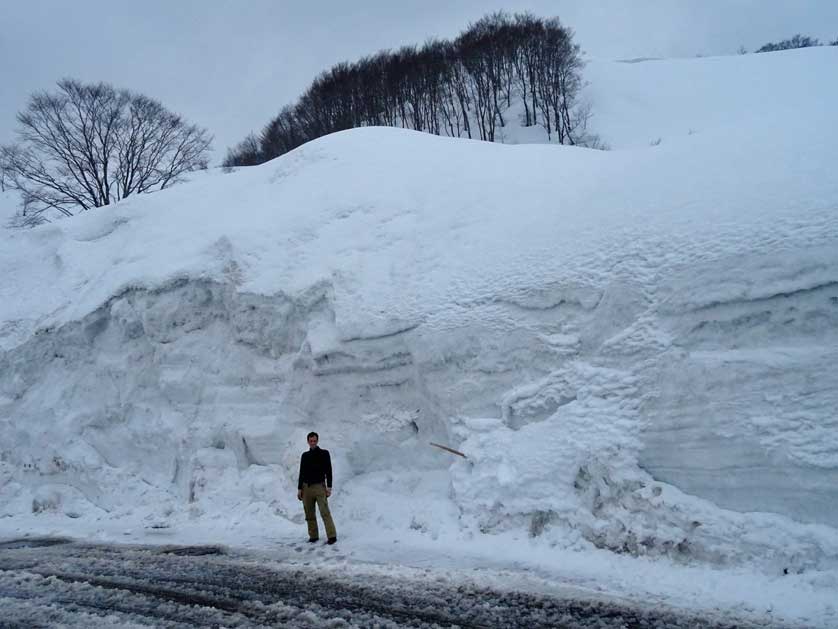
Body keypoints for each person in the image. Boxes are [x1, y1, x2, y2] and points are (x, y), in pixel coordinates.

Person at [297, 431, 337, 544]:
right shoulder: (305, 456)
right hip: (306, 488)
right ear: (308, 442)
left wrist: (329, 487)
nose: (313, 443)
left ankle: (332, 536)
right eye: (311, 441)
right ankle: (313, 536)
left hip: (319, 487)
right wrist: (299, 489)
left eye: (314, 441)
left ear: (317, 441)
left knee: (324, 511)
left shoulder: (324, 453)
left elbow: (329, 471)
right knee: (309, 514)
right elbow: (302, 473)